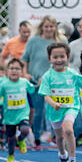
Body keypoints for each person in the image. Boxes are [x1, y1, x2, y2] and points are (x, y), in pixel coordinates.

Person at [38, 42, 82, 162]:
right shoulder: (48, 77)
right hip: (55, 111)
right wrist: (54, 104)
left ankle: (72, 160)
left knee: (69, 130)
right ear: (49, 59)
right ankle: (63, 155)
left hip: (71, 107)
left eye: (62, 56)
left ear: (67, 57)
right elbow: (46, 96)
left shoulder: (72, 74)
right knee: (59, 138)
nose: (59, 60)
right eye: (55, 57)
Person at [22, 15, 60, 146]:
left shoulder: (61, 40)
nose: (49, 29)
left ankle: (56, 136)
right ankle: (36, 137)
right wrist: (25, 74)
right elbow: (25, 59)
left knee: (55, 109)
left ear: (55, 27)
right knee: (38, 112)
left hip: (55, 82)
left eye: (51, 26)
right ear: (42, 27)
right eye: (47, 26)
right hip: (35, 81)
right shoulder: (34, 41)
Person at [0, 58, 35, 162]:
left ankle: (21, 139)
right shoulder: (4, 84)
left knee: (25, 130)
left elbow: (32, 89)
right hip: (9, 115)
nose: (14, 71)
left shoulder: (24, 82)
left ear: (21, 71)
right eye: (11, 68)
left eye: (17, 68)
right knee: (10, 138)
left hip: (23, 114)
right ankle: (11, 155)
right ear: (7, 71)